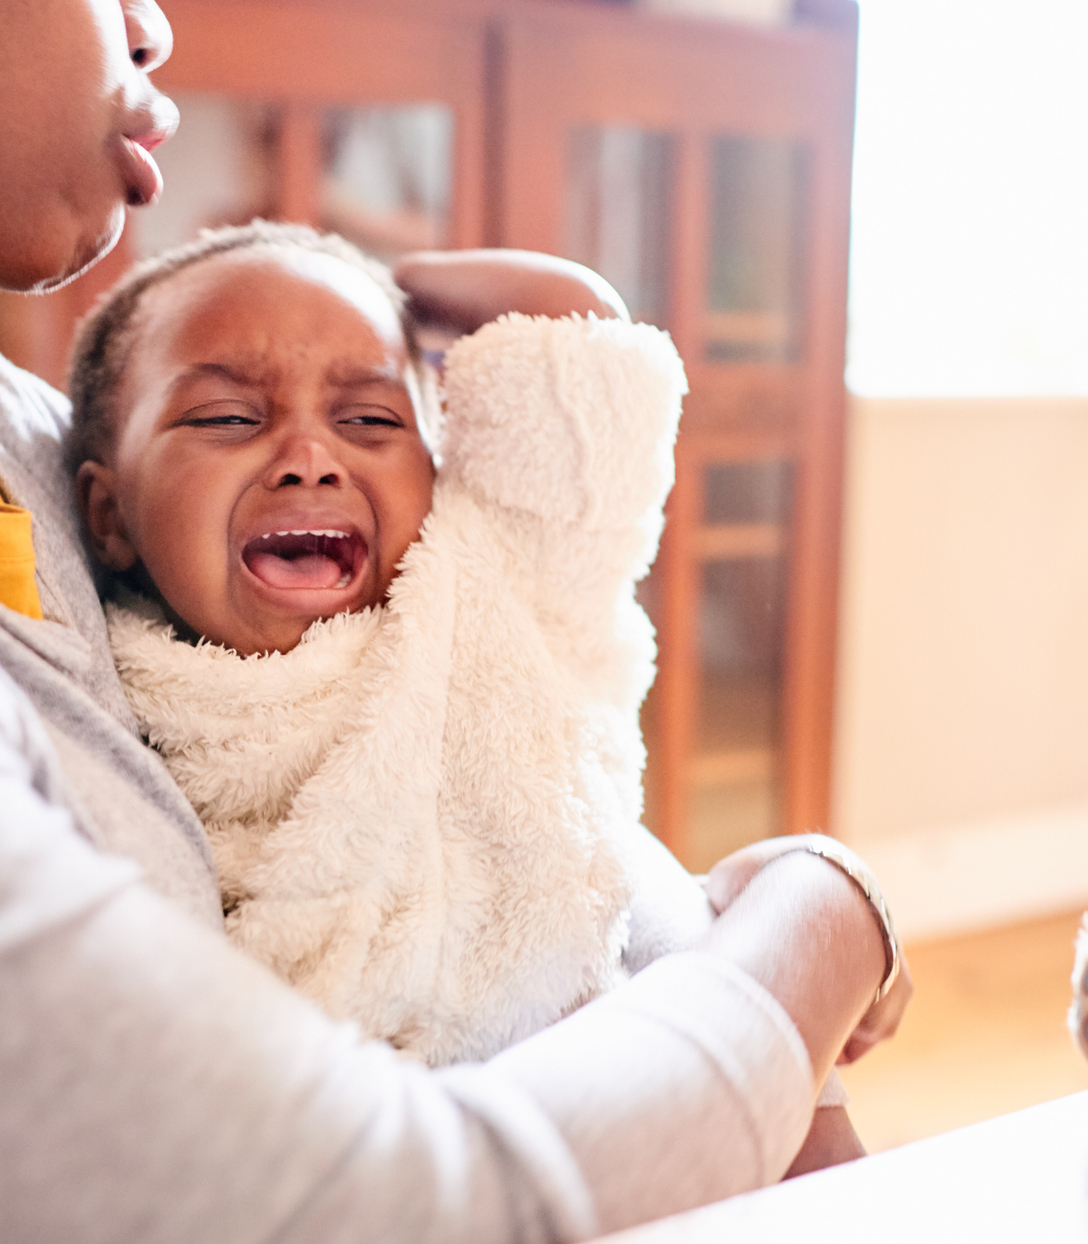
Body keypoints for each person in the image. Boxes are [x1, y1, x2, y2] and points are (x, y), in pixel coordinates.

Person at [0, 3, 908, 1244]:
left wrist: (676, 918)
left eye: (365, 416)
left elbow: (450, 724)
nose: (149, 21)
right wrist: (814, 928)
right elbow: (375, 1236)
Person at [70, 221, 855, 1124]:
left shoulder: (483, 579)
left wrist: (370, 275)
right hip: (364, 1156)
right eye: (228, 419)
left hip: (630, 1062)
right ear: (107, 514)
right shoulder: (103, 695)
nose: (308, 459)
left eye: (369, 419)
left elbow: (584, 345)